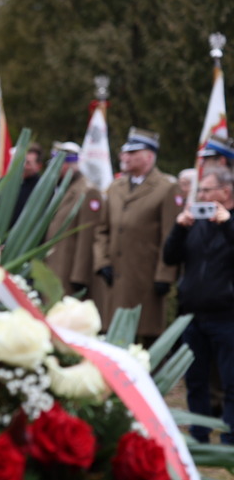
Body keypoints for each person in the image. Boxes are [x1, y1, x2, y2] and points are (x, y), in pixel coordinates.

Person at [163, 167, 234, 443]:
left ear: (225, 192)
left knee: (230, 382)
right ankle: (198, 435)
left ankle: (229, 439)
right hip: (192, 314)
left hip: (226, 315)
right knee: (195, 380)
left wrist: (227, 224)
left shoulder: (229, 223)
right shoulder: (196, 222)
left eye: (206, 190)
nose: (200, 195)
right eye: (200, 190)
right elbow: (170, 257)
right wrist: (179, 228)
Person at [93, 127, 181, 341]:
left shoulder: (166, 188)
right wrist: (102, 262)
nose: (125, 157)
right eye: (125, 152)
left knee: (144, 339)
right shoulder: (116, 187)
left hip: (145, 279)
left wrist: (165, 276)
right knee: (113, 336)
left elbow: (170, 236)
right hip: (115, 278)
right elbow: (102, 230)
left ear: (149, 156)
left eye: (132, 153)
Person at [42, 141, 102, 296]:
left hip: (67, 272)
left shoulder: (87, 192)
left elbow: (87, 237)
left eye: (56, 165)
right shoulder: (61, 189)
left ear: (66, 165)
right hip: (52, 269)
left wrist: (79, 277)